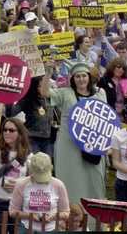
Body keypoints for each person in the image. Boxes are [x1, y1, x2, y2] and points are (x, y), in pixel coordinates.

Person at [43, 62, 108, 210]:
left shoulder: (100, 93)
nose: (81, 79)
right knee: (70, 179)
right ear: (73, 79)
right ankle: (68, 215)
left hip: (92, 144)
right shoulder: (65, 93)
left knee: (95, 180)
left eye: (84, 76)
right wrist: (48, 72)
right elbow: (45, 92)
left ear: (89, 77)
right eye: (77, 76)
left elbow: (106, 119)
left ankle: (93, 221)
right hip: (69, 144)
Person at [0, 118, 31, 234]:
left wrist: (19, 185)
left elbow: (32, 180)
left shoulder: (28, 155)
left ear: (19, 133)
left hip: (18, 204)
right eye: (5, 130)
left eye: (11, 130)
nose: (7, 133)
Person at [9, 152, 70, 234]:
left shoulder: (58, 185)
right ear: (31, 170)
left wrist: (53, 217)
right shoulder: (21, 184)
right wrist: (29, 216)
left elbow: (66, 212)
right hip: (26, 229)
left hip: (51, 229)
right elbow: (12, 211)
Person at [12, 76, 54, 157]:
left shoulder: (51, 98)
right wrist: (8, 98)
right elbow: (11, 112)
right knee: (33, 164)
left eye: (44, 85)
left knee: (47, 166)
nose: (42, 89)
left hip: (48, 139)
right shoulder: (28, 99)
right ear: (34, 87)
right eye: (39, 86)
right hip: (32, 139)